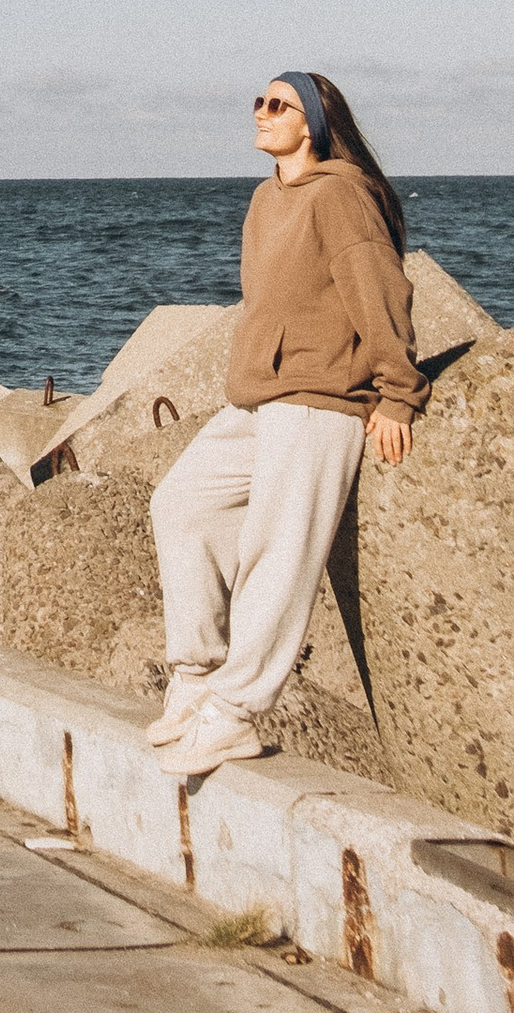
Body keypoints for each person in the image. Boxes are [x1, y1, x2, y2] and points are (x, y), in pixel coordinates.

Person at [147, 70, 422, 777]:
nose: (262, 113)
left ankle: (235, 714)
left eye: (280, 104)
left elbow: (380, 289)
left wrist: (396, 395)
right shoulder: (268, 197)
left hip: (325, 399)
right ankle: (196, 672)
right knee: (181, 500)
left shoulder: (339, 195)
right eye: (259, 102)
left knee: (278, 547)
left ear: (315, 124)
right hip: (265, 397)